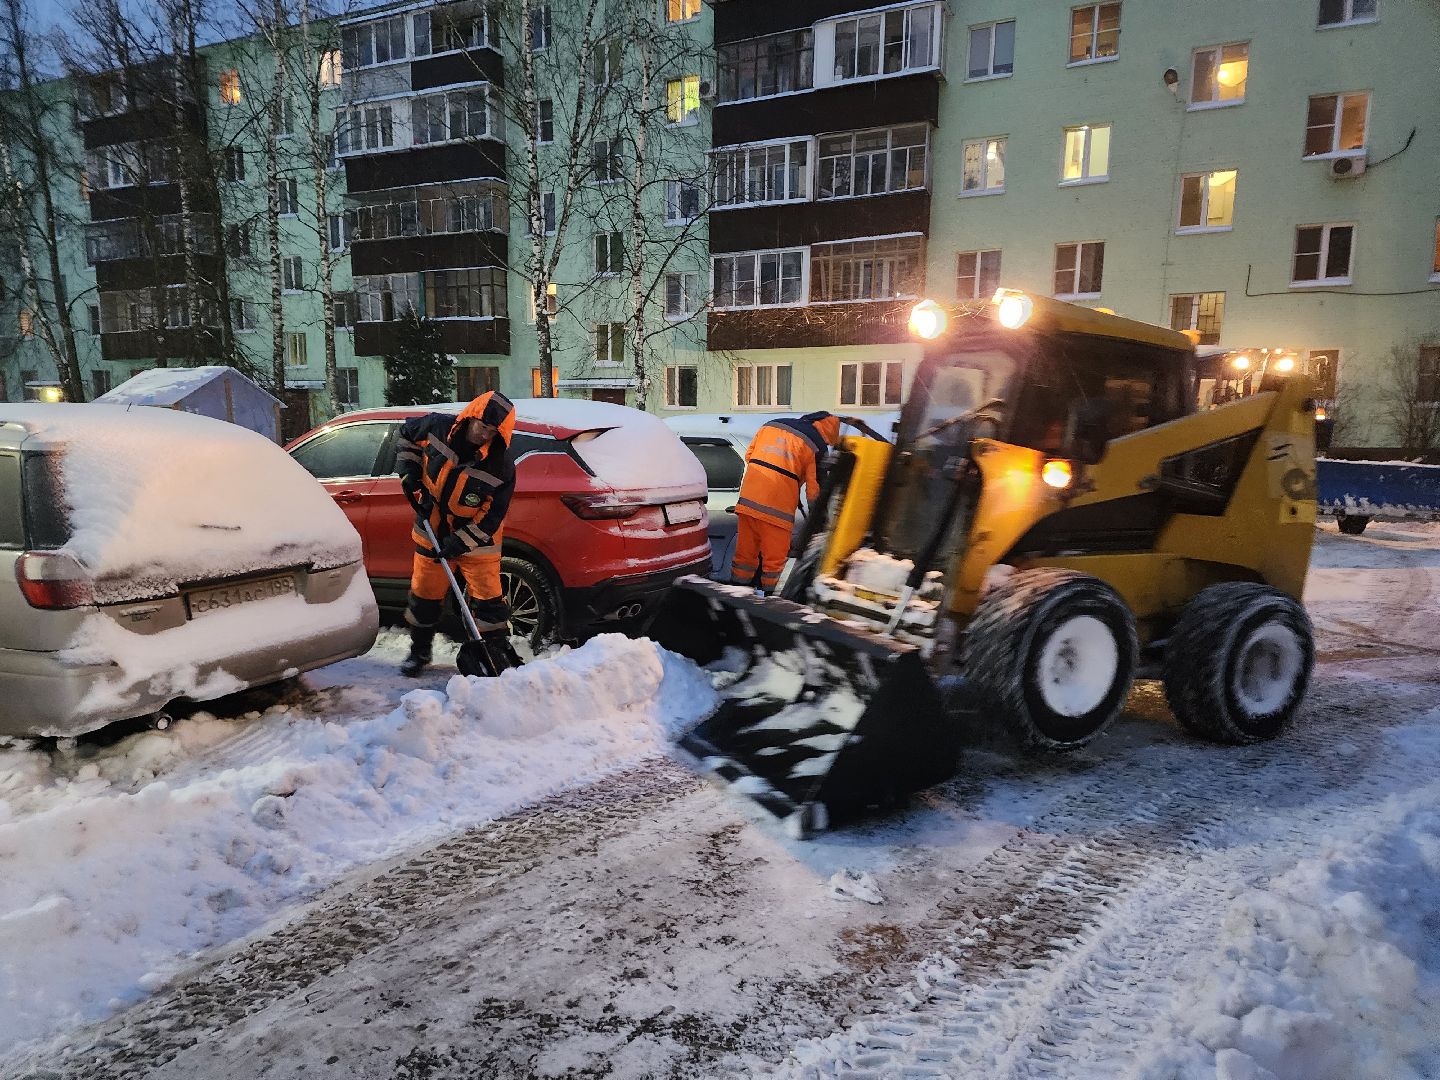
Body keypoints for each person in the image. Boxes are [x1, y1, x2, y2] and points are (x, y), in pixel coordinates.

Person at [395, 390, 518, 677]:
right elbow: (405, 434)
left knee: (490, 604)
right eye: (481, 425)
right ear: (470, 416)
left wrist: (460, 542)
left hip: (478, 543)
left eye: (491, 431)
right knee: (424, 597)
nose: (483, 434)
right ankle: (419, 651)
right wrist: (408, 469)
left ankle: (494, 656)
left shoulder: (500, 464)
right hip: (432, 530)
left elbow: (492, 515)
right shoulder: (437, 427)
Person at [729, 411, 863, 595]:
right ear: (829, 431)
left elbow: (749, 456)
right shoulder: (816, 444)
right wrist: (820, 522)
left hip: (748, 502)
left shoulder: (771, 425)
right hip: (777, 511)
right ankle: (771, 602)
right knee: (775, 564)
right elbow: (815, 491)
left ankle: (736, 593)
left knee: (745, 556)